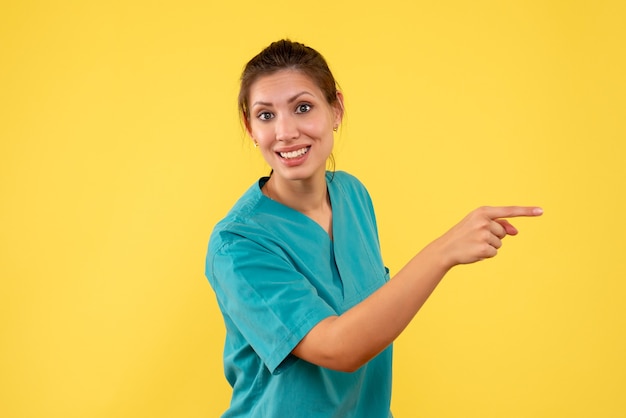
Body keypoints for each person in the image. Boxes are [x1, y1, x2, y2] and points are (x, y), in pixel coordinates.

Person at [205, 39, 543, 418]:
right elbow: (338, 348)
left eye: (303, 108)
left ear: (336, 109)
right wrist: (443, 252)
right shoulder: (237, 245)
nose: (285, 132)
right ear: (250, 127)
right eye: (266, 115)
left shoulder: (352, 195)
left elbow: (371, 316)